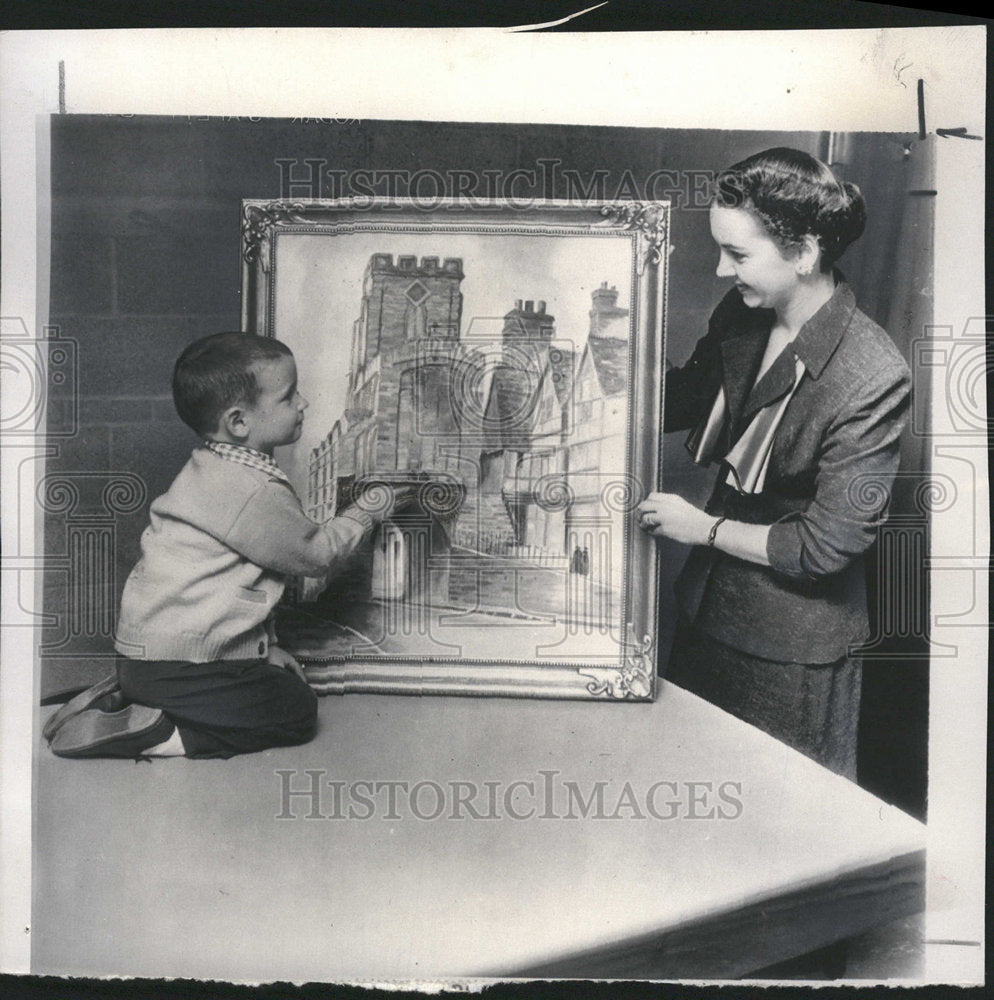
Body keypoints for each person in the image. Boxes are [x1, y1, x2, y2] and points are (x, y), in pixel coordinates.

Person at [637, 148, 911, 780]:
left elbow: (826, 547)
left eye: (738, 255)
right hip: (707, 613)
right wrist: (609, 339)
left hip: (792, 653)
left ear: (806, 251)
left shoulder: (872, 374)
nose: (720, 268)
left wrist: (699, 528)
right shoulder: (742, 315)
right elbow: (680, 399)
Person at [48, 332, 397, 759]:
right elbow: (316, 554)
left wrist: (265, 651)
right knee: (296, 710)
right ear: (238, 422)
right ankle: (159, 733)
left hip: (151, 660)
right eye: (289, 397)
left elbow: (236, 584)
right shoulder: (252, 490)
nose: (303, 403)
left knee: (276, 683)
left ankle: (122, 697)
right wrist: (367, 510)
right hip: (180, 667)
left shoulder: (211, 467)